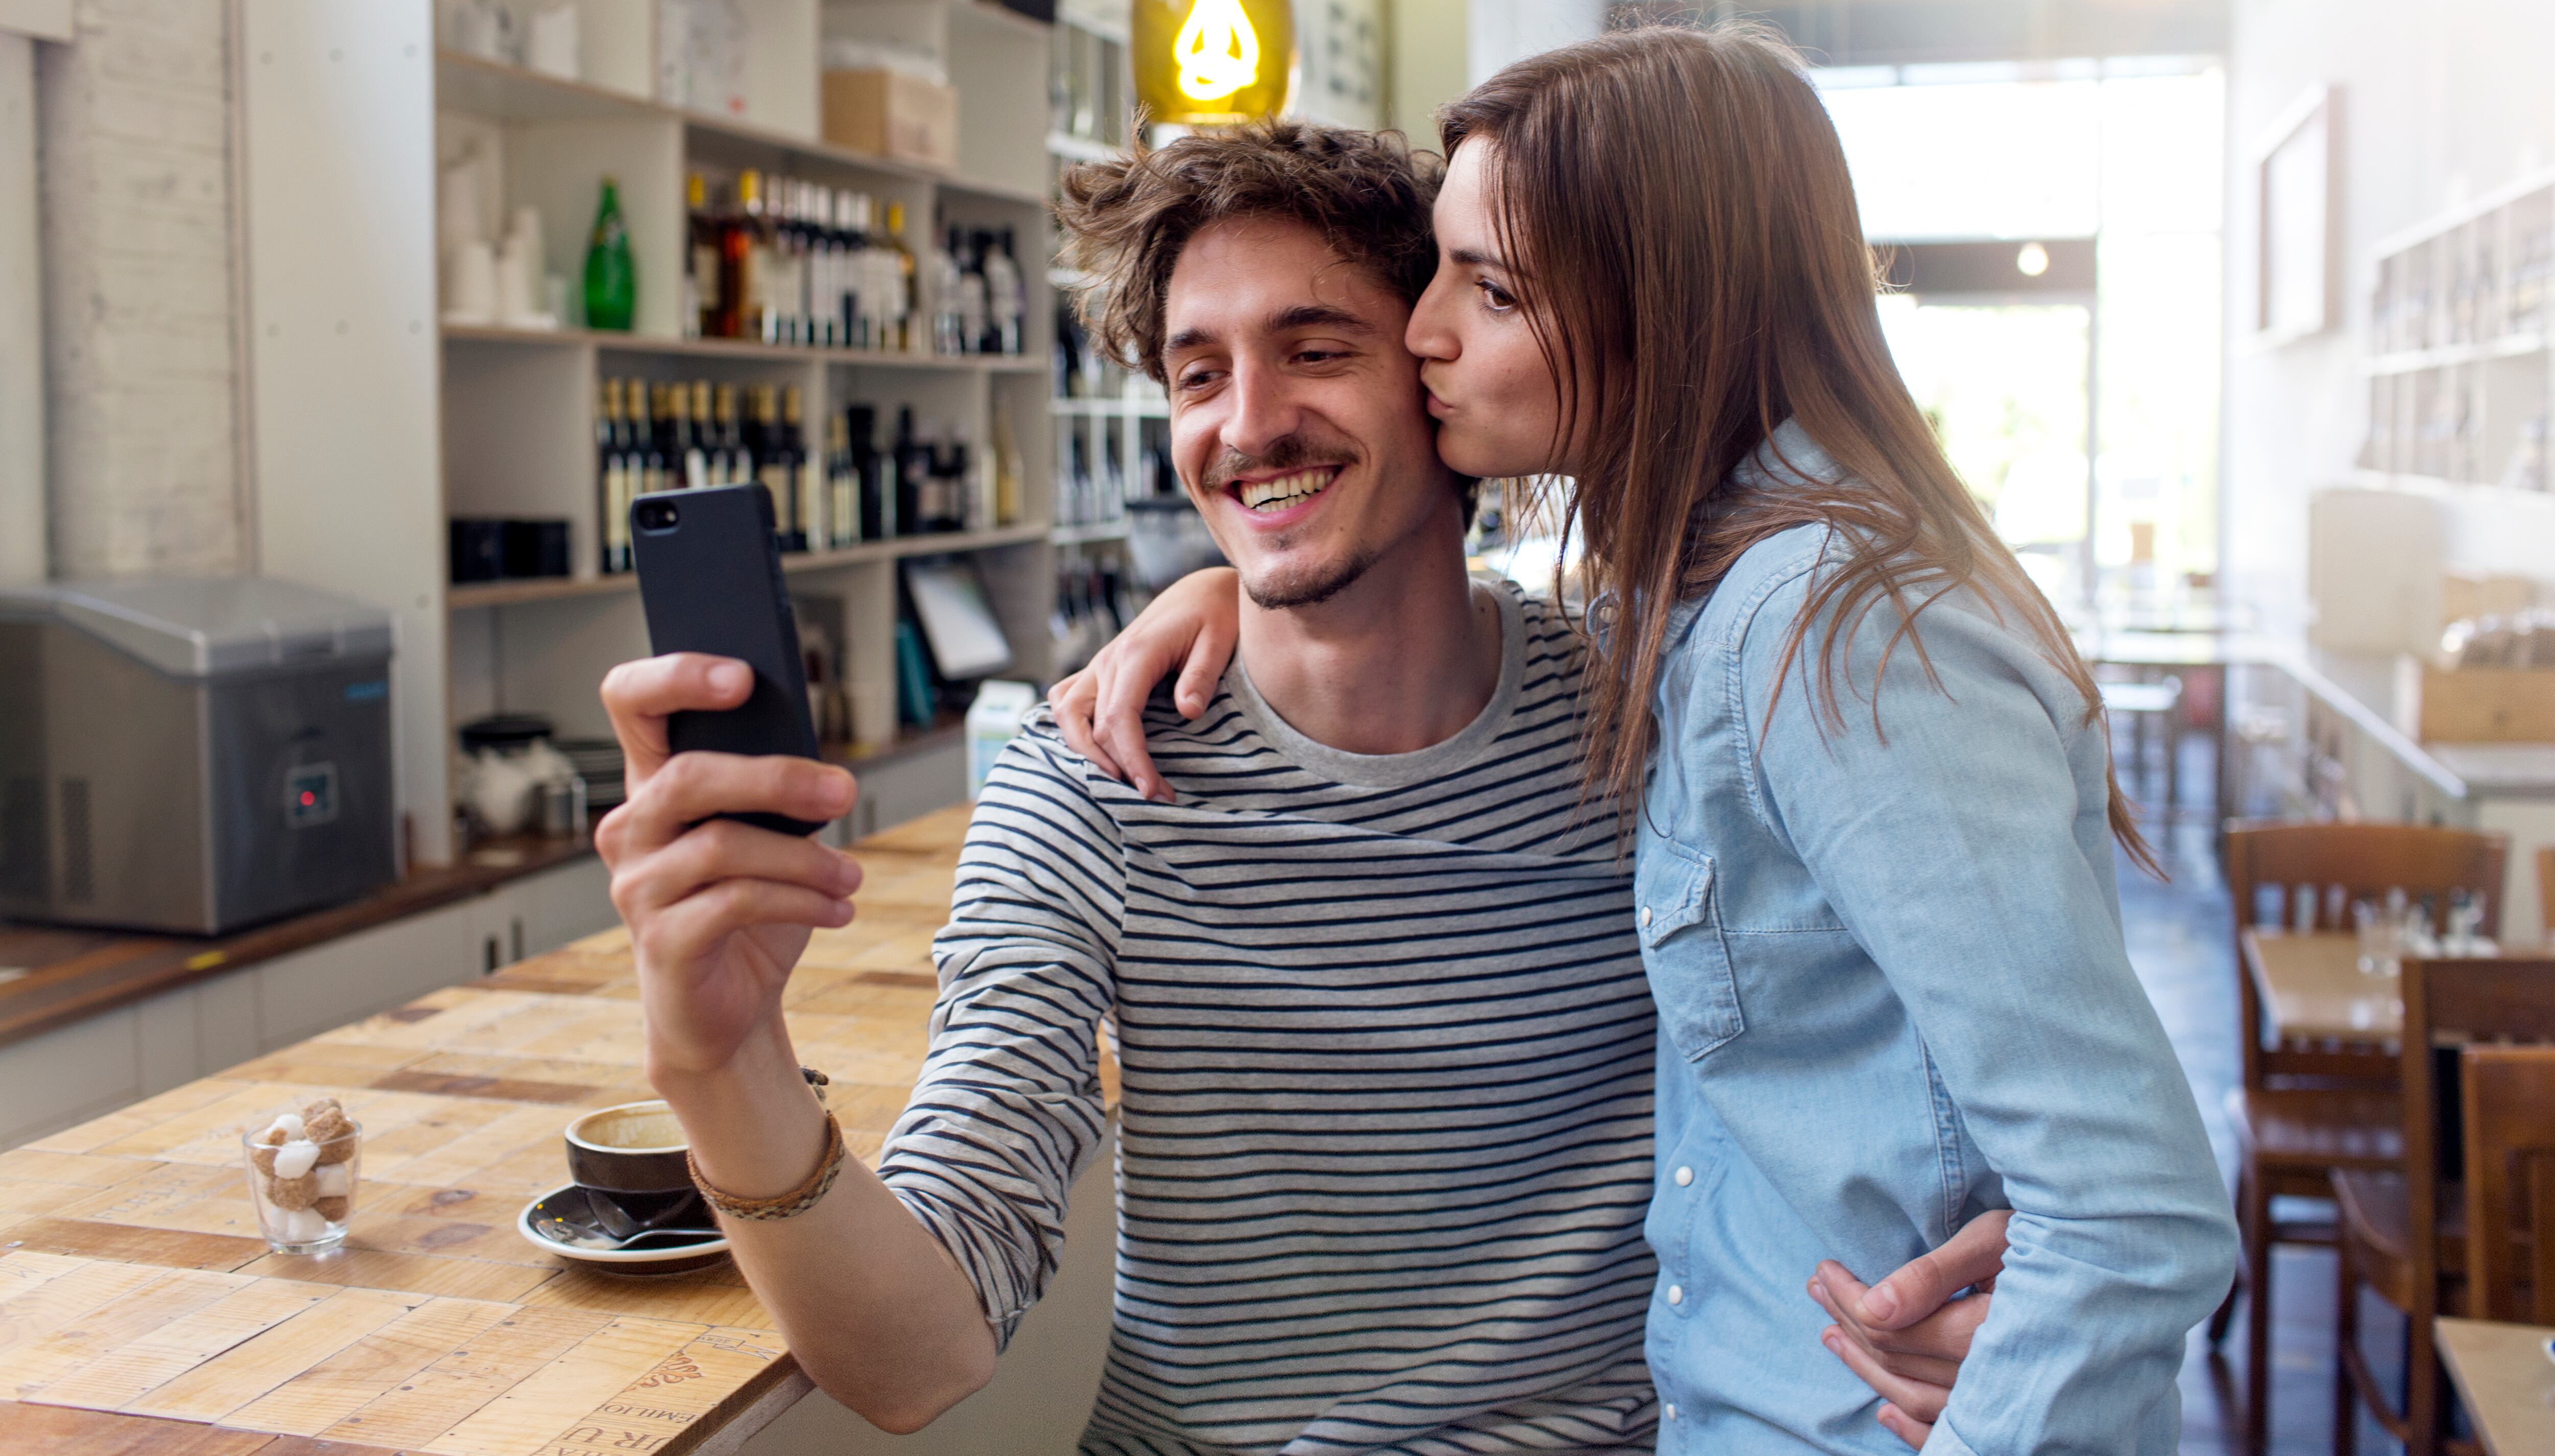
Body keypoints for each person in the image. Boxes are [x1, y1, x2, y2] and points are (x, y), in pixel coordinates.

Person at [595, 120, 2002, 1452]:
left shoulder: (1652, 716)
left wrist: (2001, 1268)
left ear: (1438, 378)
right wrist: (724, 1071)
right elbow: (916, 1361)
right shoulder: (1094, 785)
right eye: (1198, 374)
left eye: (1315, 350)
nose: (1249, 424)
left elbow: (1908, 1046)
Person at [1051, 26, 2240, 1454]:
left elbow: (2131, 1206)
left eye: (1486, 290)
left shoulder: (1831, 630)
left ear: (1662, 315)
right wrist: (1234, 582)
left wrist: (2018, 1392)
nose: (1425, 331)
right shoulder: (1688, 598)